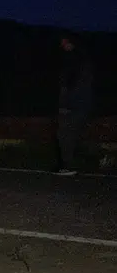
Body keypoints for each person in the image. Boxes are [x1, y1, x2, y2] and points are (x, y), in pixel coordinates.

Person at [55, 33, 94, 176]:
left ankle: (67, 165)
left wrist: (65, 104)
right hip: (78, 104)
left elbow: (70, 85)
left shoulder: (74, 61)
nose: (63, 45)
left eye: (65, 42)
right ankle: (68, 164)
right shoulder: (79, 60)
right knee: (69, 134)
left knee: (66, 134)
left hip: (74, 105)